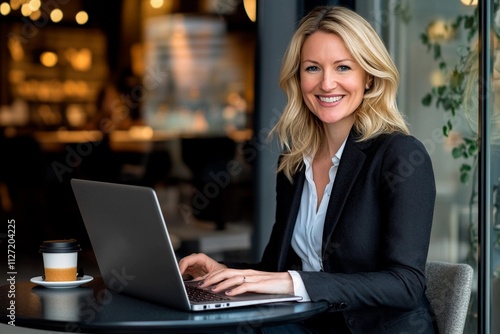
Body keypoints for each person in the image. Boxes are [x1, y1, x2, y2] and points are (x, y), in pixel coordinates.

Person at [179, 5, 437, 334]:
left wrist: (292, 282)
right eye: (313, 68)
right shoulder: (294, 160)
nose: (327, 83)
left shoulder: (399, 155)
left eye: (343, 67)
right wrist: (225, 271)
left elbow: (406, 284)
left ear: (369, 76)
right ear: (298, 78)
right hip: (310, 324)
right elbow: (277, 270)